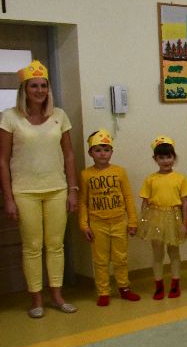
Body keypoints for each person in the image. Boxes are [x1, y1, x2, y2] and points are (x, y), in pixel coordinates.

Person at [0, 60, 79, 317]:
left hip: (57, 189)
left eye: (43, 85)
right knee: (32, 246)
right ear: (24, 89)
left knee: (55, 245)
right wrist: (8, 198)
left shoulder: (59, 116)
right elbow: (2, 160)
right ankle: (36, 300)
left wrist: (73, 189)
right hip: (24, 191)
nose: (39, 90)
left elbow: (69, 155)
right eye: (34, 86)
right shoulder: (9, 117)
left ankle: (57, 295)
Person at [77, 129, 139, 307]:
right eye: (98, 150)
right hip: (97, 225)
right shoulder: (86, 175)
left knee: (121, 258)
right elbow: (83, 201)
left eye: (106, 149)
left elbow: (128, 197)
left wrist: (132, 221)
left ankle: (124, 288)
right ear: (90, 153)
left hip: (119, 222)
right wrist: (84, 225)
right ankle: (103, 292)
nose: (102, 154)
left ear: (112, 151)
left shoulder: (120, 172)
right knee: (100, 261)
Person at [138, 136, 187, 300]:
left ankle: (175, 284)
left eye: (169, 156)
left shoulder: (180, 178)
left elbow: (185, 202)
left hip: (174, 217)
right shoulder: (150, 179)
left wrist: (185, 222)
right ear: (155, 159)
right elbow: (145, 202)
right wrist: (143, 223)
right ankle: (159, 285)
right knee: (157, 254)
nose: (166, 160)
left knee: (174, 252)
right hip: (156, 217)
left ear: (174, 157)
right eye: (161, 157)